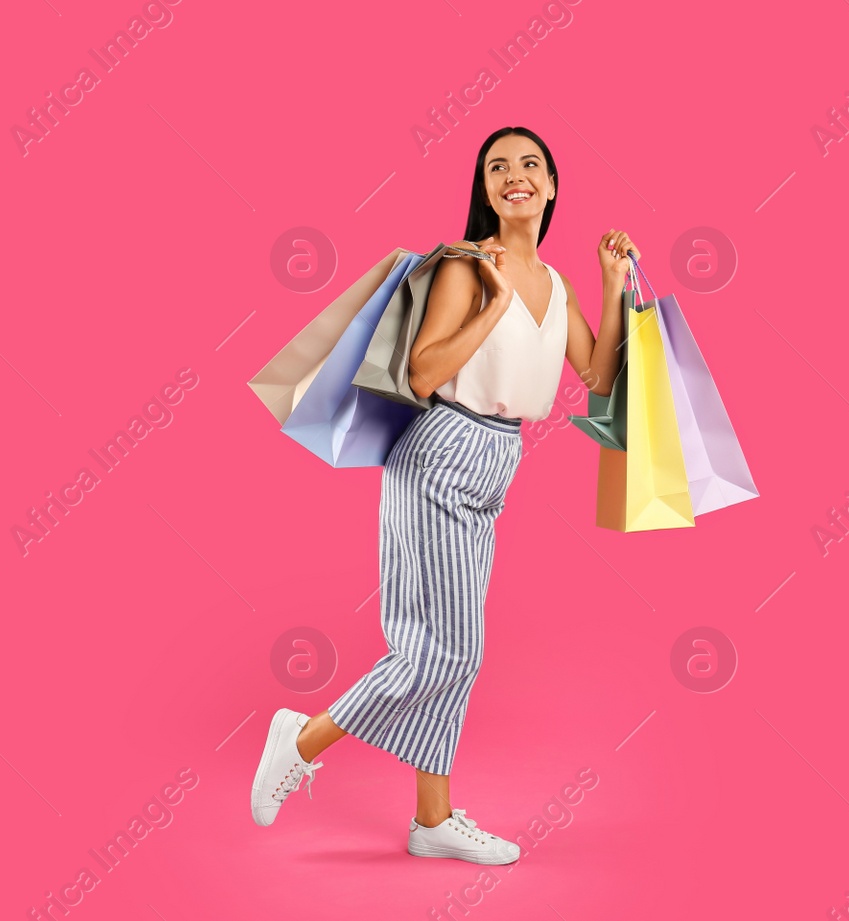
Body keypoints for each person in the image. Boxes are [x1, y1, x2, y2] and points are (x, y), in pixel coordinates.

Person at [251, 125, 640, 865]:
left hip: (498, 461)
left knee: (456, 652)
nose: (514, 176)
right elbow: (424, 373)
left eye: (531, 165)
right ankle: (299, 739)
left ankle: (433, 819)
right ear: (485, 189)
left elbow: (595, 377)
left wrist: (612, 283)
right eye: (498, 167)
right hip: (442, 451)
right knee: (442, 650)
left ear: (553, 187)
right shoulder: (466, 267)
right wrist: (491, 305)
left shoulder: (555, 285)